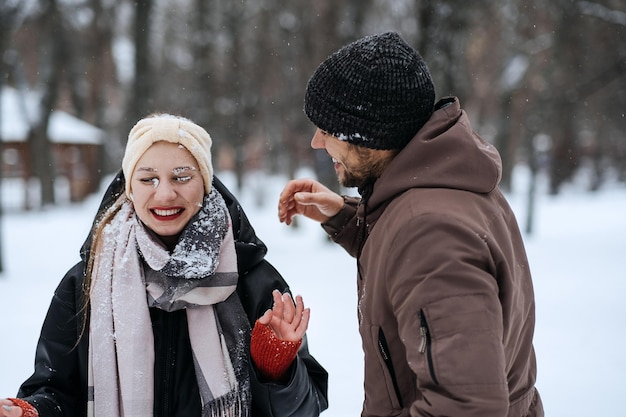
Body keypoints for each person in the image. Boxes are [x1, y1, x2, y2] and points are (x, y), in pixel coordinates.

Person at [278, 32, 543, 417]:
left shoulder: (430, 235)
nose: (317, 142)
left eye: (329, 129)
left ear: (371, 134)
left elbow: (466, 408)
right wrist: (345, 217)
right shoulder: (448, 182)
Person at [1, 114, 328, 417]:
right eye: (148, 179)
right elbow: (56, 390)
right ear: (130, 188)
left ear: (205, 182)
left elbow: (306, 408)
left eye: (181, 176)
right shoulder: (85, 284)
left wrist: (276, 368)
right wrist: (33, 411)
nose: (165, 193)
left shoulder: (253, 280)